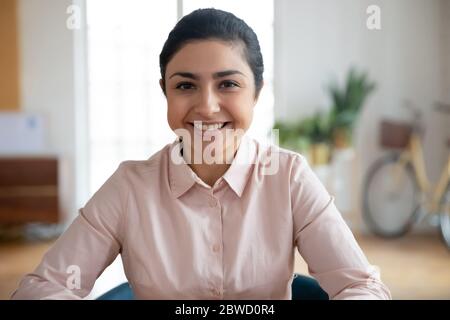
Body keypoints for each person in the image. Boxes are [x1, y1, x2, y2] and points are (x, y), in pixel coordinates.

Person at [11, 8, 391, 300]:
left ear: (257, 92)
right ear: (165, 92)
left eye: (228, 83)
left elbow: (361, 286)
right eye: (186, 85)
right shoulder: (130, 187)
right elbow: (43, 287)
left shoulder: (288, 177)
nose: (207, 107)